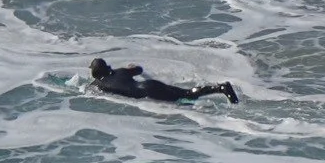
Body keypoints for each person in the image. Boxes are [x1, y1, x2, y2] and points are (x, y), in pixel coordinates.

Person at [88, 57, 240, 105]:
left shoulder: (97, 85)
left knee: (185, 100)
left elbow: (87, 92)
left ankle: (221, 91)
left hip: (147, 92)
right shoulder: (120, 71)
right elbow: (138, 69)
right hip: (150, 84)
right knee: (187, 93)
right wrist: (132, 67)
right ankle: (220, 88)